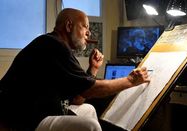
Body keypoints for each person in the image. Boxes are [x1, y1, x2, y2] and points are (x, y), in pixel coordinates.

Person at [0, 8, 150, 131]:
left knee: (88, 109)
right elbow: (90, 90)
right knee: (91, 126)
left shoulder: (58, 47)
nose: (88, 33)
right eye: (85, 26)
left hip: (42, 111)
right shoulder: (53, 45)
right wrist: (130, 80)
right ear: (69, 26)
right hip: (22, 120)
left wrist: (93, 68)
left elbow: (78, 98)